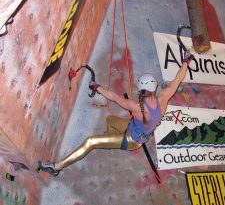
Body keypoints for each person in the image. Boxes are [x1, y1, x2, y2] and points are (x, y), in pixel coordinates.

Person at [37, 51, 194, 177]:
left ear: (141, 89)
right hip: (135, 131)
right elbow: (177, 79)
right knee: (110, 119)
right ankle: (109, 141)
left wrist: (96, 87)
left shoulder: (137, 107)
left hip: (131, 140)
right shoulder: (163, 98)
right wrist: (186, 62)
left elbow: (114, 97)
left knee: (91, 142)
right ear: (154, 89)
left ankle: (57, 166)